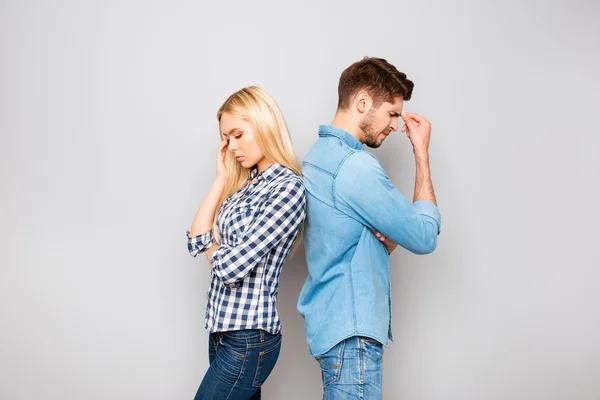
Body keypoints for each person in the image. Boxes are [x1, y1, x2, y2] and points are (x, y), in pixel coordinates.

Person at [297, 57, 442, 399]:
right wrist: (421, 151)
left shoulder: (317, 157)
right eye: (392, 113)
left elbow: (339, 234)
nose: (395, 126)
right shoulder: (354, 168)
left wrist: (379, 240)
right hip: (352, 338)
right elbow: (424, 236)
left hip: (333, 331)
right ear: (362, 102)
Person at [187, 86, 306, 400]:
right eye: (226, 138)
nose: (231, 146)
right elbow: (195, 236)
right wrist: (220, 179)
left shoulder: (288, 188)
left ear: (264, 125)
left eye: (238, 134)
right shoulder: (243, 187)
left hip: (249, 337)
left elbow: (228, 268)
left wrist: (212, 249)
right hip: (222, 331)